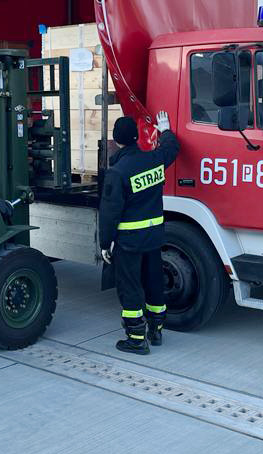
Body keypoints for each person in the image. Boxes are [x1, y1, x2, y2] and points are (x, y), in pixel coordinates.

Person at [99, 111, 179, 355]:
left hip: (129, 243)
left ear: (117, 140)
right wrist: (165, 130)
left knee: (130, 287)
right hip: (153, 238)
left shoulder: (117, 172)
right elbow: (171, 149)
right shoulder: (154, 159)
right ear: (135, 138)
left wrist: (105, 244)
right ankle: (156, 331)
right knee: (154, 282)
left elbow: (109, 213)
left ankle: (136, 339)